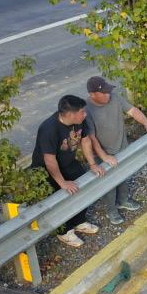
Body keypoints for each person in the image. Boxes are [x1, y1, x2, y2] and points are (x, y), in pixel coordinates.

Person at [31, 95, 104, 248]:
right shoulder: (49, 128)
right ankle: (64, 232)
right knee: (60, 199)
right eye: (82, 112)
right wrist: (62, 182)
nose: (85, 114)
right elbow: (49, 159)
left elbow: (85, 140)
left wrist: (92, 164)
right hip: (46, 170)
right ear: (71, 114)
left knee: (83, 187)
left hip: (68, 162)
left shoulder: (79, 121)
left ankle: (79, 221)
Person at [84, 77, 147, 225]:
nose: (107, 95)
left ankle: (123, 200)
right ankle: (111, 211)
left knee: (124, 174)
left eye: (108, 91)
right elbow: (90, 137)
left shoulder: (115, 98)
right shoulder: (86, 109)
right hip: (103, 153)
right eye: (103, 93)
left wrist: (146, 124)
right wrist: (104, 156)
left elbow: (133, 111)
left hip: (122, 146)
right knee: (109, 184)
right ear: (92, 94)